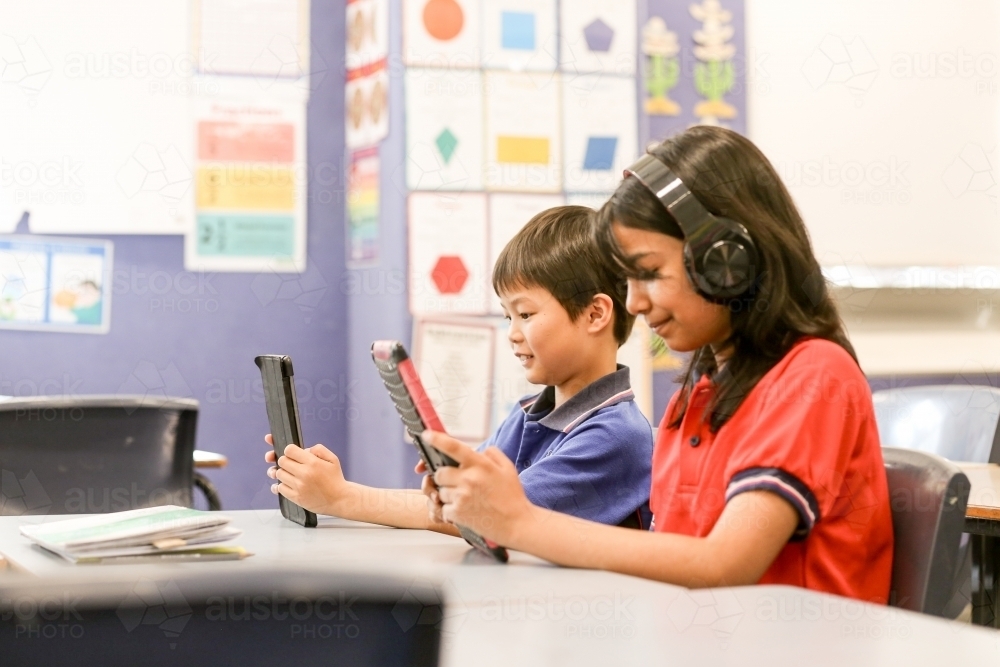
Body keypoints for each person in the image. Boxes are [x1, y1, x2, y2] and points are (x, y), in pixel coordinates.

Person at [424, 126, 894, 603]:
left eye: (649, 273)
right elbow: (666, 553)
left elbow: (723, 565)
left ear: (726, 261)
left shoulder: (813, 377)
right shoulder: (697, 396)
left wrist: (519, 523)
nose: (635, 303)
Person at [265, 205, 654, 535]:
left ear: (594, 314)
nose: (513, 334)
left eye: (526, 314)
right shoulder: (529, 414)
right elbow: (459, 504)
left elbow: (487, 518)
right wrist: (341, 487)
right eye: (507, 317)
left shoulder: (617, 437)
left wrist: (341, 498)